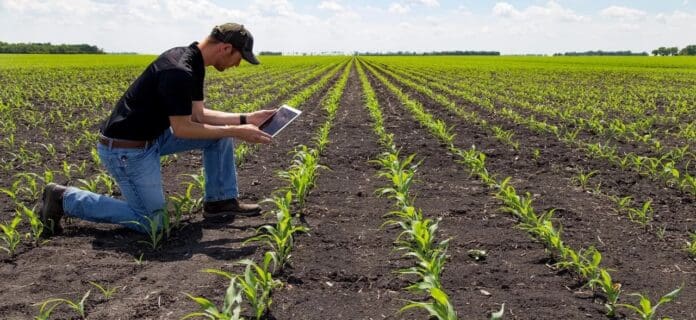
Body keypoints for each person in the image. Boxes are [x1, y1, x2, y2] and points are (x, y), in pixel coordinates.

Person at [39, 23, 276, 236]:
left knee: (218, 138)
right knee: (153, 223)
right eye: (240, 58)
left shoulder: (193, 60)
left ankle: (220, 202)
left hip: (152, 137)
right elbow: (183, 129)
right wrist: (235, 130)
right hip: (126, 151)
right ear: (226, 48)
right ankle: (64, 199)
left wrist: (246, 118)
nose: (237, 64)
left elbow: (198, 116)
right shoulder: (178, 71)